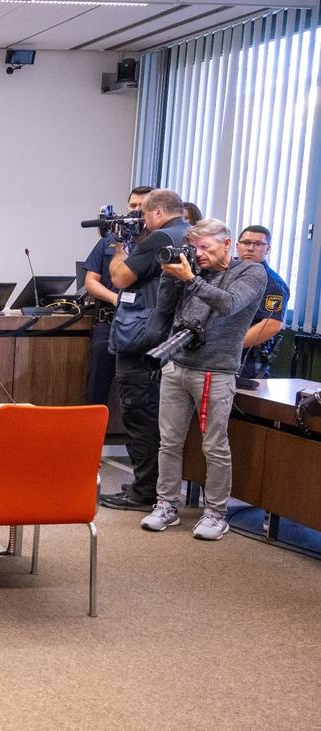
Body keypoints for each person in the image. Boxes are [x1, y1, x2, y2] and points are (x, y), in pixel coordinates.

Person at [140, 218, 266, 539]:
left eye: (205, 247)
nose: (198, 254)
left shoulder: (250, 272)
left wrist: (190, 279)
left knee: (214, 445)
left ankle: (216, 513)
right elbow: (165, 307)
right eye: (194, 248)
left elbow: (229, 304)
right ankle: (166, 505)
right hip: (176, 363)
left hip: (215, 370)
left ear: (226, 244)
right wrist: (171, 277)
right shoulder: (193, 269)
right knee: (169, 442)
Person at [101, 188, 190, 511]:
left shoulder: (160, 237)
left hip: (142, 339)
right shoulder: (189, 234)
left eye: (143, 213)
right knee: (157, 418)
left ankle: (143, 491)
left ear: (158, 212)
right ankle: (151, 486)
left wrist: (118, 246)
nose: (140, 219)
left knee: (139, 416)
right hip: (170, 339)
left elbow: (120, 278)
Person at [82, 185, 152, 405]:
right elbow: (90, 282)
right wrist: (115, 299)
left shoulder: (156, 243)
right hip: (108, 323)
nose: (136, 210)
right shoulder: (110, 240)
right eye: (132, 205)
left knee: (137, 392)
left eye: (142, 206)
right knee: (96, 388)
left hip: (141, 327)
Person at [235, 225, 290, 378]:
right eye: (246, 243)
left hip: (247, 358)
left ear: (268, 249)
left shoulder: (273, 284)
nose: (250, 248)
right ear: (237, 246)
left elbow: (272, 325)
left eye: (258, 244)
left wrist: (229, 347)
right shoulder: (227, 272)